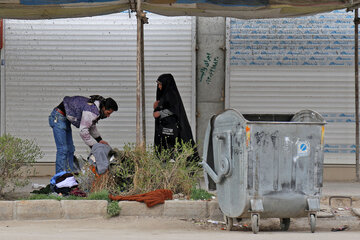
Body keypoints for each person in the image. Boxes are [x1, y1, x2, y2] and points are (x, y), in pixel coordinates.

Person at [49, 95, 118, 173]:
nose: (108, 116)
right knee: (63, 149)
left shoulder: (95, 108)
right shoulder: (91, 110)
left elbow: (90, 125)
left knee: (70, 149)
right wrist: (94, 146)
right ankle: (60, 179)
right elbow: (83, 131)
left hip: (64, 119)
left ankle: (69, 176)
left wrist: (99, 140)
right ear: (104, 108)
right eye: (108, 113)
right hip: (58, 117)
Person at [153, 73, 198, 160]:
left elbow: (174, 110)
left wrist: (160, 113)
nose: (158, 86)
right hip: (164, 129)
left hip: (172, 130)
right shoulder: (164, 95)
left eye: (160, 84)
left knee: (173, 152)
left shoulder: (171, 95)